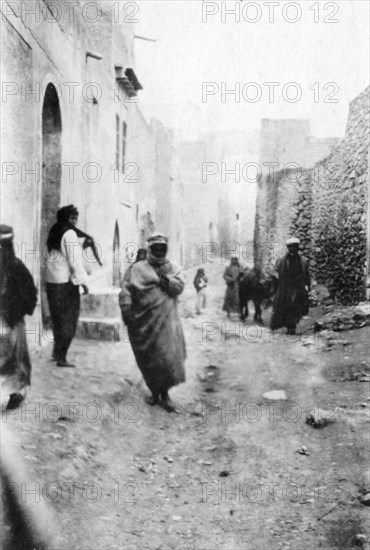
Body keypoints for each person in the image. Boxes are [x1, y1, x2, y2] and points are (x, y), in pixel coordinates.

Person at [119, 233, 186, 413]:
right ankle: (155, 392)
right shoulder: (138, 269)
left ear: (166, 249)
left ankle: (165, 394)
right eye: (155, 248)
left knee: (167, 356)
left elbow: (179, 287)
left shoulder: (174, 268)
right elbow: (126, 290)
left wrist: (165, 280)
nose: (158, 251)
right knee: (148, 358)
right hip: (144, 322)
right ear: (150, 249)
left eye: (162, 248)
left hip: (167, 321)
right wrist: (127, 311)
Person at [45, 205, 89, 367]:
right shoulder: (69, 234)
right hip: (65, 283)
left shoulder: (55, 231)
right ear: (67, 219)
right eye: (72, 218)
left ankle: (57, 353)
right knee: (69, 320)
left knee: (58, 319)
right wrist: (83, 282)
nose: (75, 222)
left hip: (52, 282)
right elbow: (74, 261)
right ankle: (62, 357)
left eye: (75, 218)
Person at [0, 225, 37, 409]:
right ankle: (16, 391)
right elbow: (31, 291)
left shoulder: (15, 266)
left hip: (10, 321)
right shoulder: (16, 265)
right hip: (9, 320)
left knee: (13, 358)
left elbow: (30, 292)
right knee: (13, 358)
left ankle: (16, 392)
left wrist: (18, 312)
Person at [270, 237, 311, 335]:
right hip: (285, 288)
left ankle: (293, 324)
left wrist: (307, 286)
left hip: (298, 288)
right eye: (290, 247)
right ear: (288, 248)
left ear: (297, 248)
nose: (292, 249)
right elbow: (275, 272)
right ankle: (290, 326)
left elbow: (306, 275)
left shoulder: (303, 261)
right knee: (287, 307)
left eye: (294, 247)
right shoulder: (281, 261)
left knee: (297, 307)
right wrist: (275, 276)